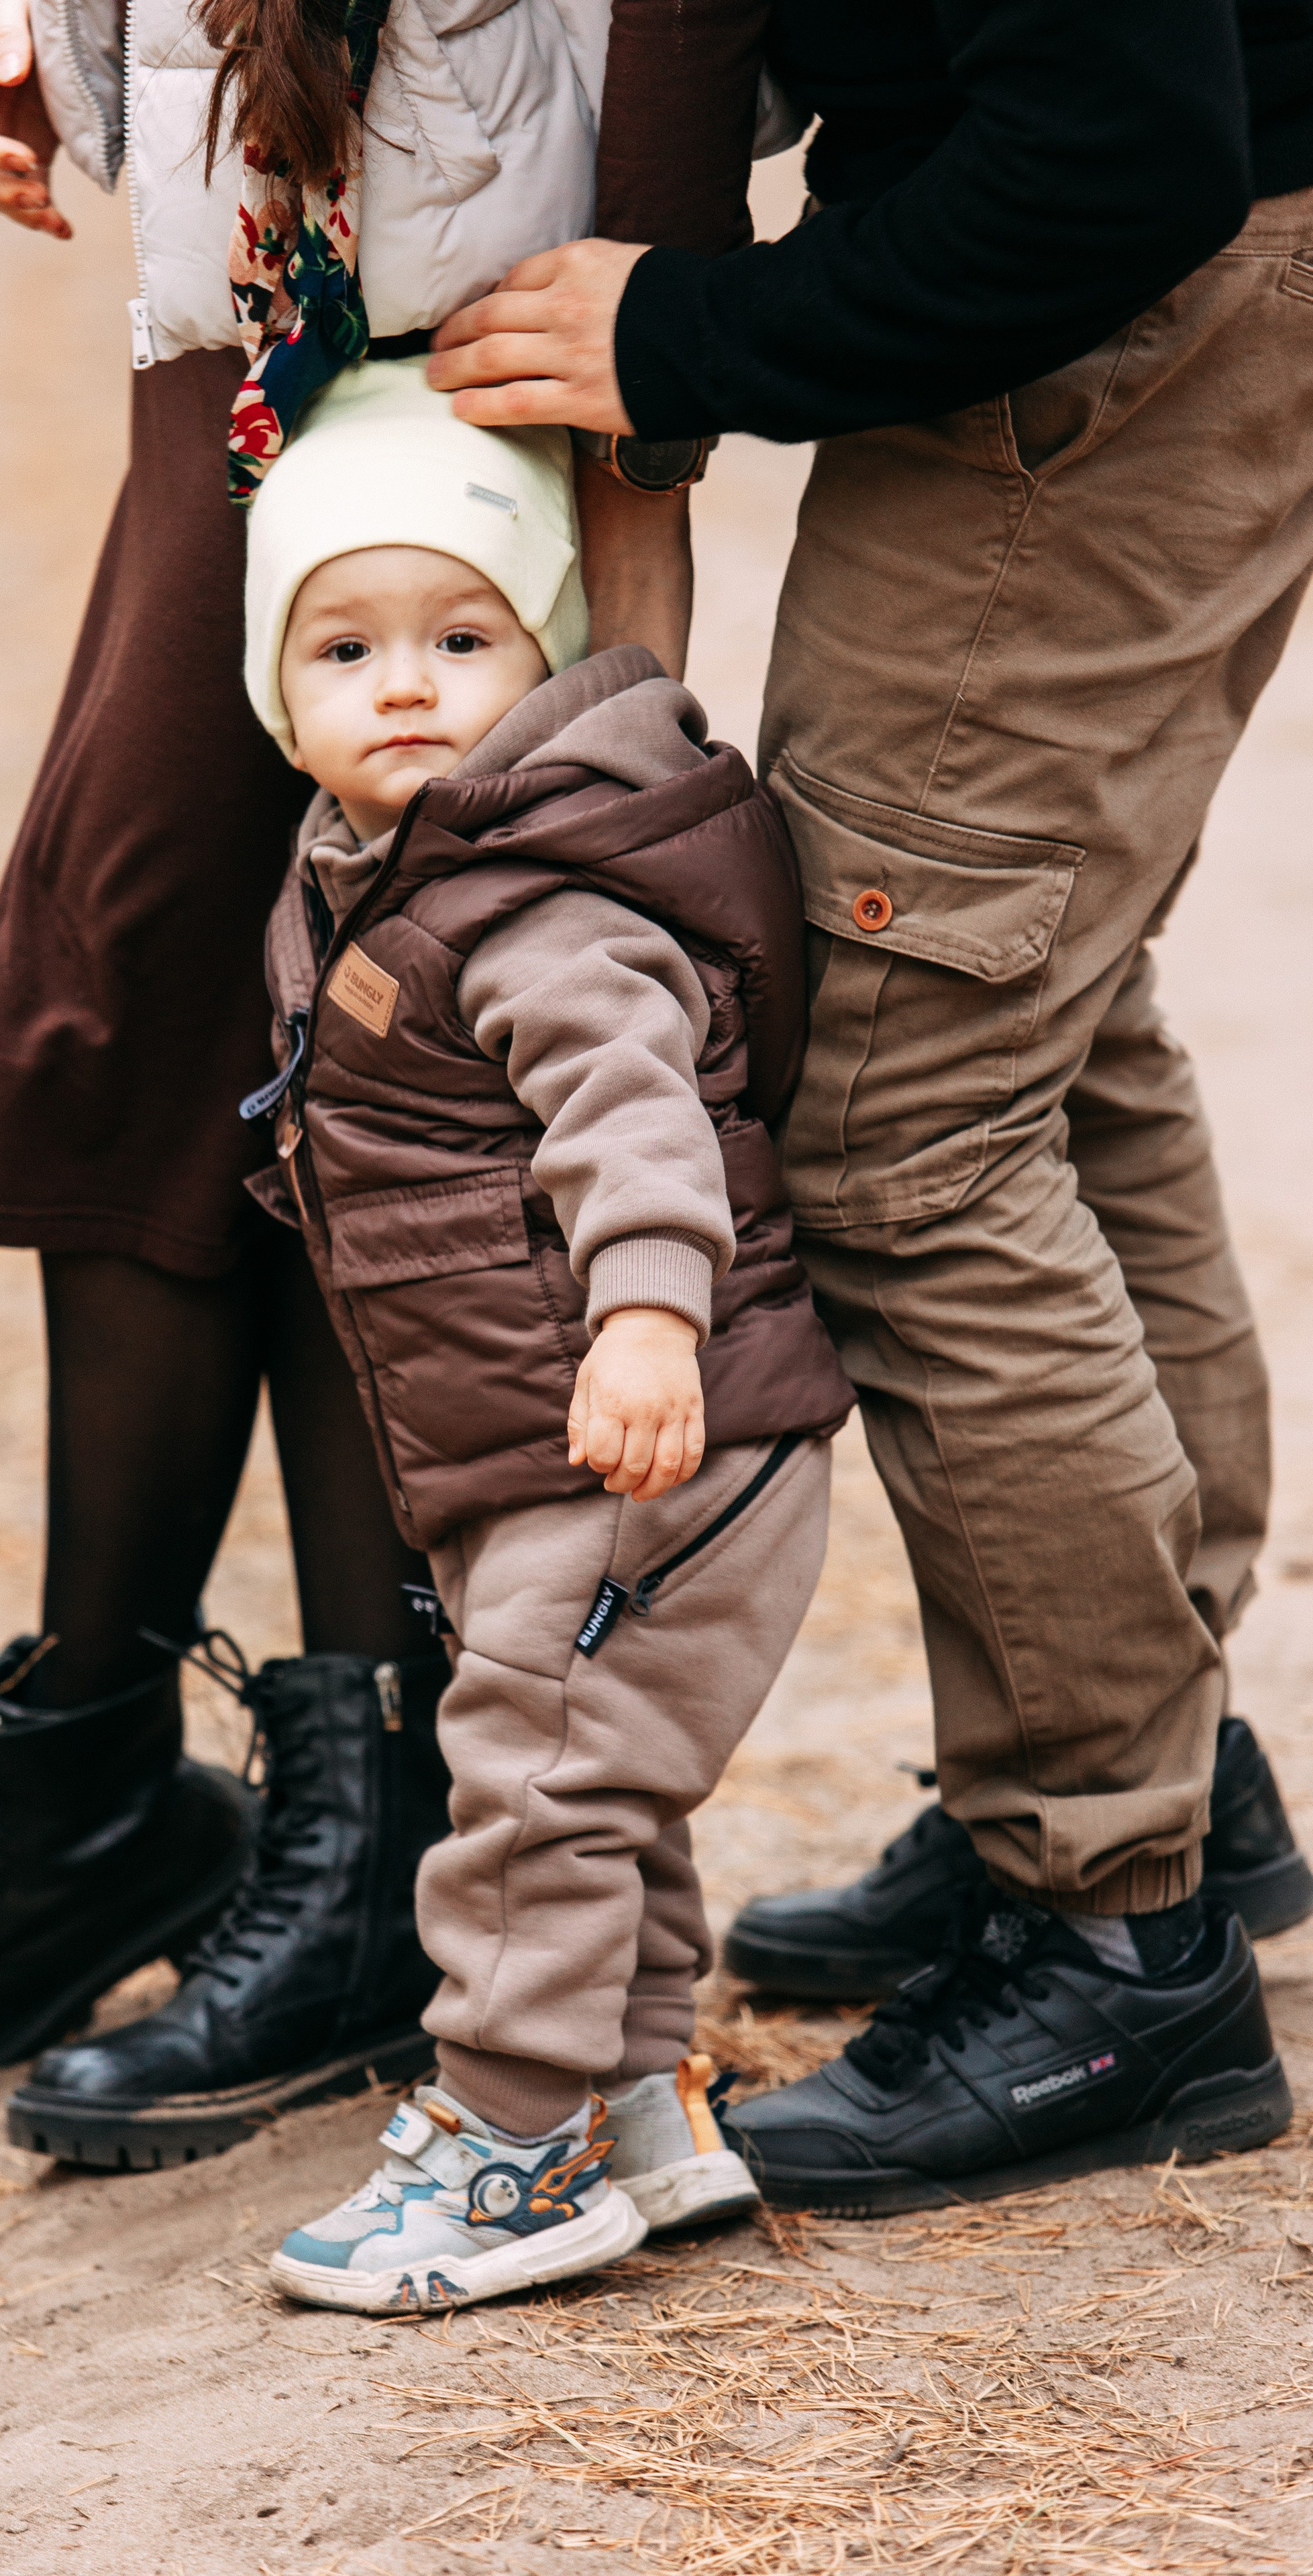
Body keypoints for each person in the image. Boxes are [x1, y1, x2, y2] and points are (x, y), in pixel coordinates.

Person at [0, 0, 696, 2152]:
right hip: (246, 313)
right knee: (162, 1013)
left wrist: (657, 382)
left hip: (470, 329)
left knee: (364, 1042)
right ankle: (113, 1774)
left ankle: (355, 1832)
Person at [419, 0, 1313, 2211]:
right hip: (1163, 281)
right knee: (1045, 1034)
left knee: (908, 1118)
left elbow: (1121, 145)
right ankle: (1170, 1779)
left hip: (1127, 309)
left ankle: (1113, 1929)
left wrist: (689, 334)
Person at [187, 356, 852, 2312]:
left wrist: (647, 1319)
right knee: (591, 1778)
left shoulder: (541, 900)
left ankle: (501, 2148)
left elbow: (636, 1122)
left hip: (651, 1421)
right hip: (542, 1436)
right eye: (345, 649)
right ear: (277, 688)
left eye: (462, 637)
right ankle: (636, 2108)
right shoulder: (370, 878)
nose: (404, 684)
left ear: (544, 652)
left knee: (537, 1782)